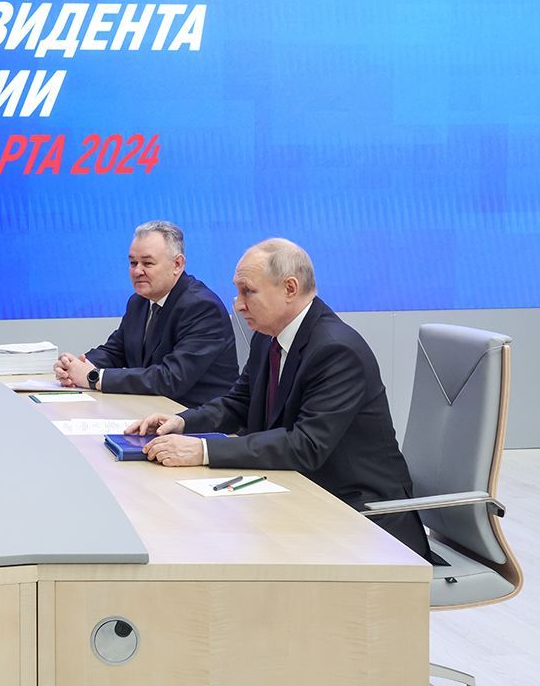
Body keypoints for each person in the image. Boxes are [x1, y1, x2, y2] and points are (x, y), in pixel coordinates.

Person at [127, 238, 429, 559]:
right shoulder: (267, 337)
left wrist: (202, 450)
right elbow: (239, 402)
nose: (238, 305)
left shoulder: (336, 350)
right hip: (301, 497)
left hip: (362, 519)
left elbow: (305, 445)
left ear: (289, 288)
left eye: (248, 291)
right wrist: (183, 422)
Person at [54, 221, 237, 407]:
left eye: (147, 263)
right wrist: (76, 366)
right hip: (152, 409)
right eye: (133, 263)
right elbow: (116, 351)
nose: (137, 271)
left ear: (177, 264)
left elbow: (170, 378)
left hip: (195, 416)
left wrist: (94, 377)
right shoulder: (139, 302)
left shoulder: (202, 307)